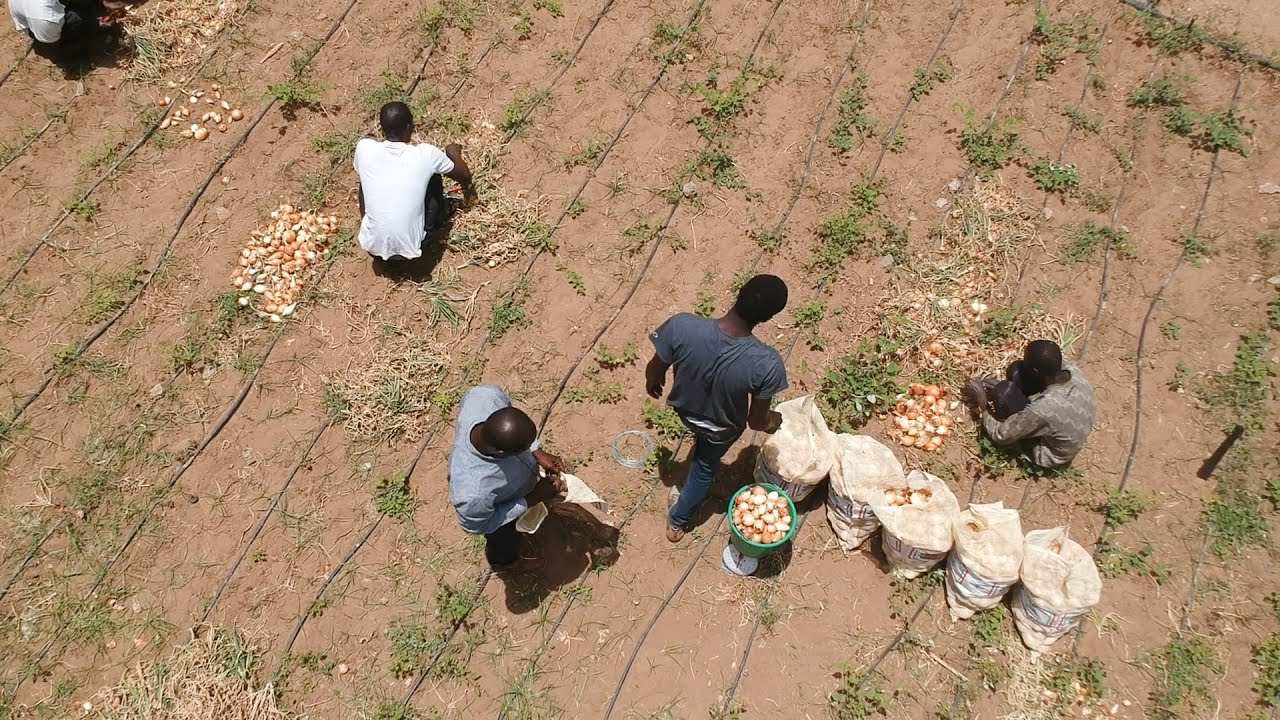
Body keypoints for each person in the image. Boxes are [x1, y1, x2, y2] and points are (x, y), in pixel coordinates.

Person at [645, 274, 790, 543]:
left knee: (701, 445)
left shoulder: (682, 326)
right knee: (704, 467)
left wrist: (653, 380)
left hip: (685, 412)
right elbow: (756, 421)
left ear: (739, 292)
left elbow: (655, 366)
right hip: (721, 429)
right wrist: (774, 421)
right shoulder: (766, 363)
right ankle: (678, 522)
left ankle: (698, 444)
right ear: (768, 318)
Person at [448, 384, 565, 572]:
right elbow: (480, 525)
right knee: (504, 540)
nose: (528, 449)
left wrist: (537, 451)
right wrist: (532, 498)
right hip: (501, 518)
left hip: (520, 487)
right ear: (500, 452)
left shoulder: (485, 397)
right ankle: (507, 564)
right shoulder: (473, 492)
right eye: (522, 449)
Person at [354, 101, 476, 264]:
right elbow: (465, 176)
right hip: (414, 249)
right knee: (433, 177)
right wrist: (453, 153)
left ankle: (375, 226)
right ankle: (435, 221)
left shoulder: (364, 148)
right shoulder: (426, 155)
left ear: (382, 128)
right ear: (409, 127)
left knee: (366, 176)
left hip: (372, 247)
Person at [962, 339, 1096, 469]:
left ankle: (1026, 434)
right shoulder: (1072, 369)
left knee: (1003, 393)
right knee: (1016, 370)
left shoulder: (1043, 409)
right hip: (1070, 420)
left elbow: (1000, 435)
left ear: (1036, 372)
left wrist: (982, 404)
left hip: (1050, 451)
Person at [10, 0, 126, 55]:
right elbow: (54, 50)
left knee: (86, 11)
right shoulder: (46, 19)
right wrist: (94, 28)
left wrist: (103, 3)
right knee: (80, 20)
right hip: (39, 29)